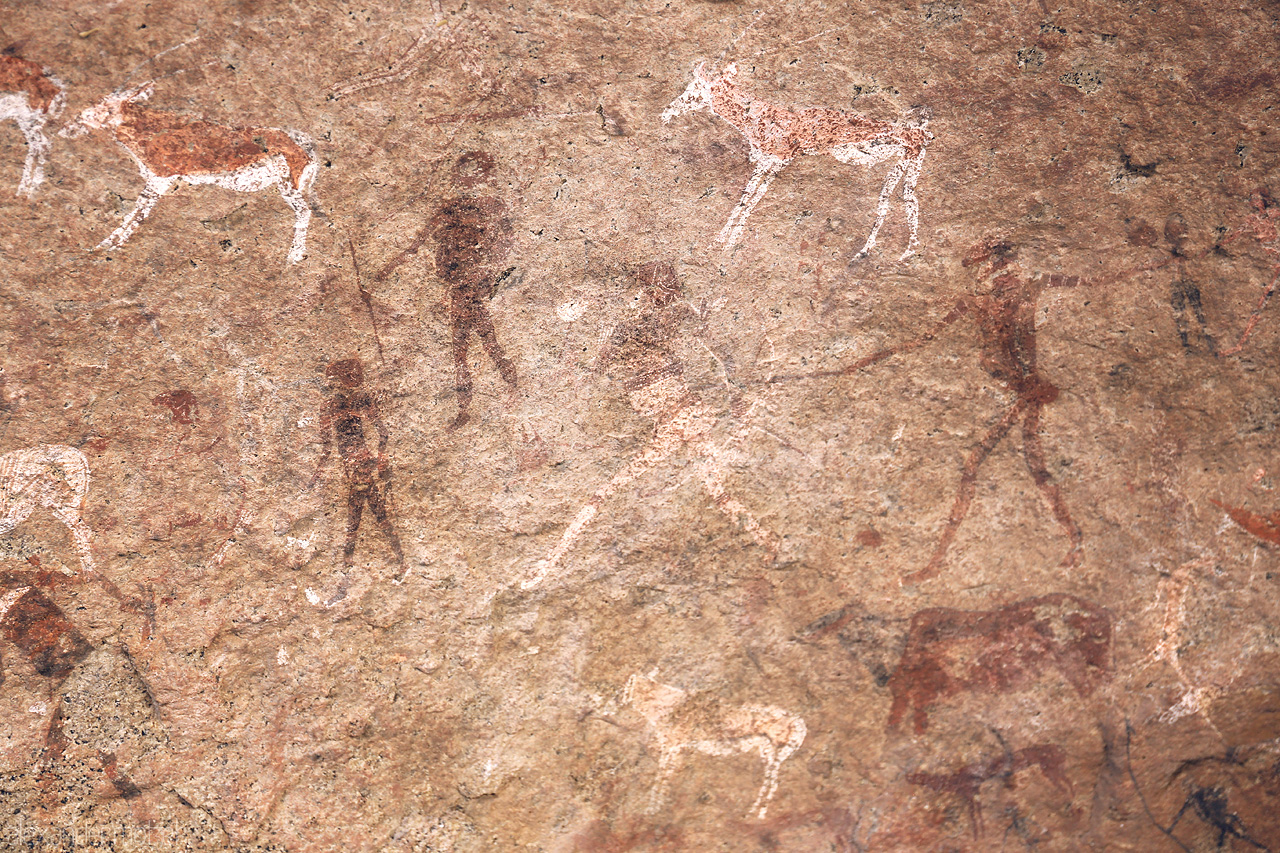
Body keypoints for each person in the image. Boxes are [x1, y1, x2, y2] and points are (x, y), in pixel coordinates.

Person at [312, 358, 404, 580]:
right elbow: (325, 448)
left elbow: (383, 434)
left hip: (361, 468)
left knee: (359, 523)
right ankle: (396, 562)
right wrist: (315, 477)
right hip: (355, 470)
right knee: (371, 519)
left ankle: (349, 570)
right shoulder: (330, 405)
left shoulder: (360, 399)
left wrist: (380, 461)